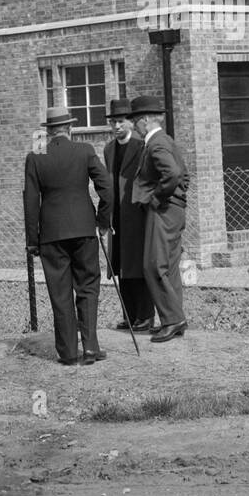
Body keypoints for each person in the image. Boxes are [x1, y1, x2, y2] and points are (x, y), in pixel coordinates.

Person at [23, 106, 112, 366]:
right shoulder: (84, 151)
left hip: (51, 234)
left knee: (60, 293)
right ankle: (91, 348)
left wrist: (32, 240)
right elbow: (106, 188)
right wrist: (102, 221)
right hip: (84, 230)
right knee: (87, 287)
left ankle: (68, 352)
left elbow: (30, 201)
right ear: (70, 128)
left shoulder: (35, 157)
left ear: (49, 131)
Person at [129, 95, 190, 343]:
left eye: (135, 121)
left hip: (163, 211)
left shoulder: (155, 144)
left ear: (144, 120)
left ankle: (173, 320)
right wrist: (177, 197)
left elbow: (173, 174)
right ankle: (174, 320)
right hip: (173, 210)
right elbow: (184, 176)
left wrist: (157, 198)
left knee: (153, 265)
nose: (134, 125)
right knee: (170, 266)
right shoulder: (165, 141)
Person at [102, 98, 154, 332]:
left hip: (136, 214)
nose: (116, 127)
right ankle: (129, 315)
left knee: (138, 266)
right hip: (117, 216)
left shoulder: (141, 145)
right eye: (113, 122)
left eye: (121, 122)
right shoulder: (109, 149)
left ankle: (145, 315)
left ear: (131, 123)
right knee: (121, 266)